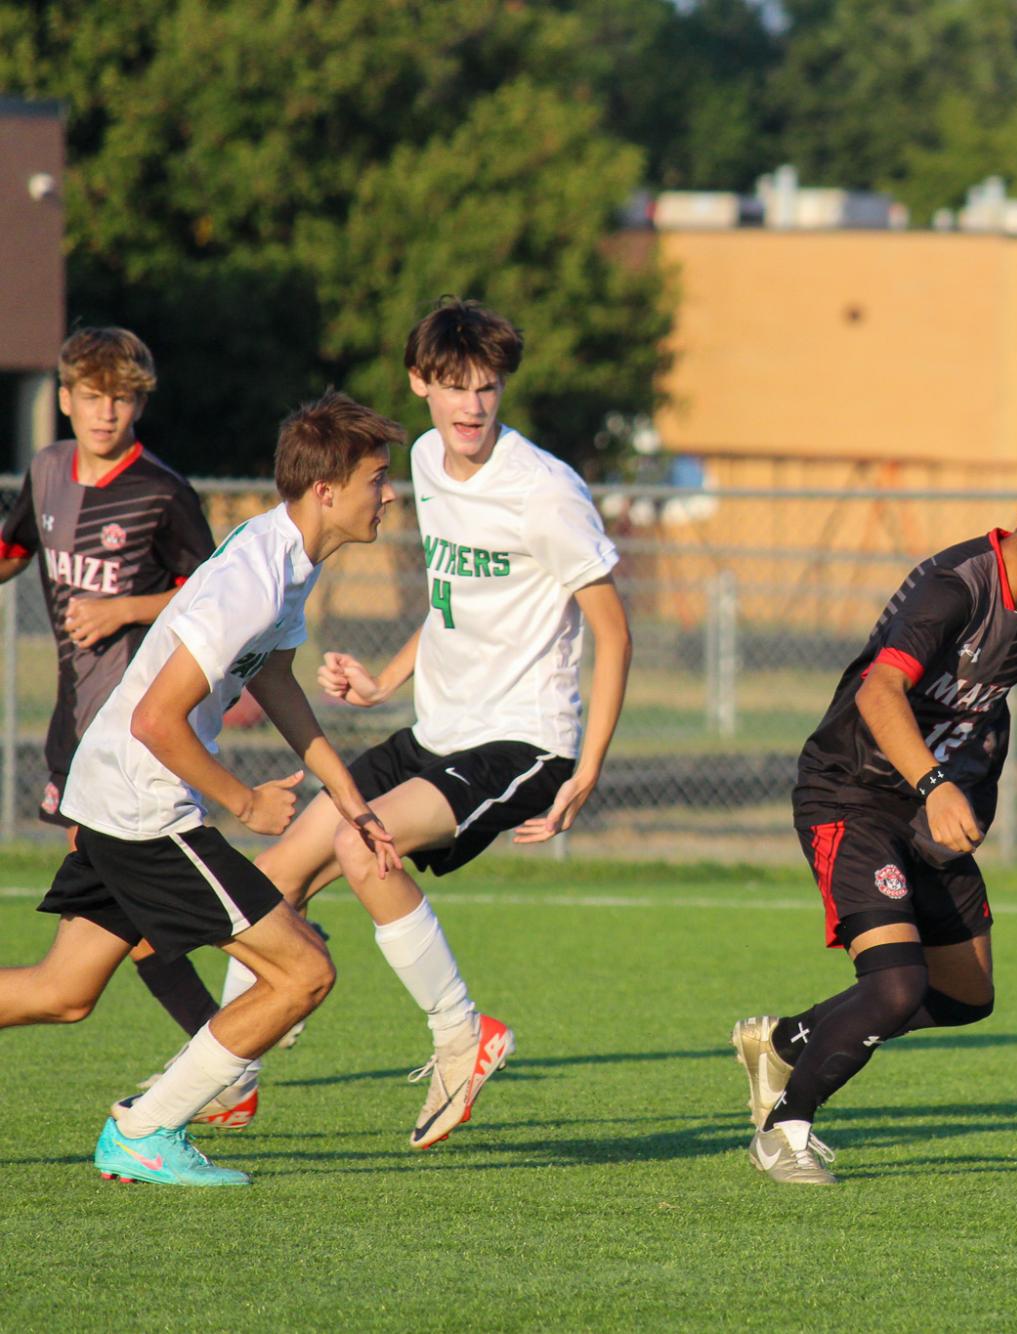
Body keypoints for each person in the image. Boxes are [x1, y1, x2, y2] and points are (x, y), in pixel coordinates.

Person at [247, 298, 631, 1150]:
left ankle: (464, 1037)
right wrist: (385, 678)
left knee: (362, 840)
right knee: (267, 884)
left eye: (486, 387)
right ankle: (236, 1068)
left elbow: (612, 630)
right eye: (453, 385)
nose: (470, 406)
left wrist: (588, 769)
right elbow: (456, 601)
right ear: (420, 383)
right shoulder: (421, 457)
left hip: (522, 740)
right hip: (436, 728)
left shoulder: (544, 493)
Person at [0, 390, 402, 1187]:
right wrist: (244, 802)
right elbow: (156, 718)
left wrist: (348, 799)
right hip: (144, 805)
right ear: (326, 491)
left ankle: (147, 1130)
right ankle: (144, 1132)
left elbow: (278, 682)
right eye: (377, 478)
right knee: (303, 973)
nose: (387, 494)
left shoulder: (289, 562)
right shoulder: (252, 576)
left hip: (116, 792)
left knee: (63, 991)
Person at [731, 447, 1017, 1185]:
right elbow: (877, 692)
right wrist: (933, 783)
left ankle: (787, 1041)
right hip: (853, 796)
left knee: (963, 997)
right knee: (896, 987)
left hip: (933, 815)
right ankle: (783, 1131)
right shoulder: (952, 588)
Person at [0, 328, 244, 1095]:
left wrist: (124, 609)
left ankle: (237, 1023)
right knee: (118, 920)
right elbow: (12, 552)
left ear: (141, 402)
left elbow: (216, 597)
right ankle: (236, 1024)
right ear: (66, 398)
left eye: (123, 398)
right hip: (76, 734)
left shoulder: (163, 492)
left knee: (116, 922)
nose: (107, 413)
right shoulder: (45, 473)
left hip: (142, 735)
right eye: (93, 397)